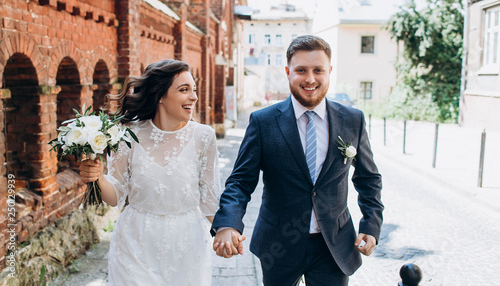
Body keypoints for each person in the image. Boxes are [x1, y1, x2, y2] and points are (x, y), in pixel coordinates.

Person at [212, 35, 384, 285]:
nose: (310, 78)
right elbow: (240, 181)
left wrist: (371, 224)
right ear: (288, 72)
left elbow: (368, 179)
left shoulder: (352, 120)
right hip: (278, 244)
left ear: (329, 72)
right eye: (301, 70)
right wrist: (228, 223)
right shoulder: (263, 122)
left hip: (333, 245)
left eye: (318, 70)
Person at [79, 59, 237, 285]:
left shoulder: (203, 136)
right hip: (135, 242)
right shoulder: (126, 135)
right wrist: (98, 178)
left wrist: (226, 230)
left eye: (194, 90)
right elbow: (116, 196)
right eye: (184, 90)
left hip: (187, 245)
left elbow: (210, 200)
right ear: (161, 95)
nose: (194, 97)